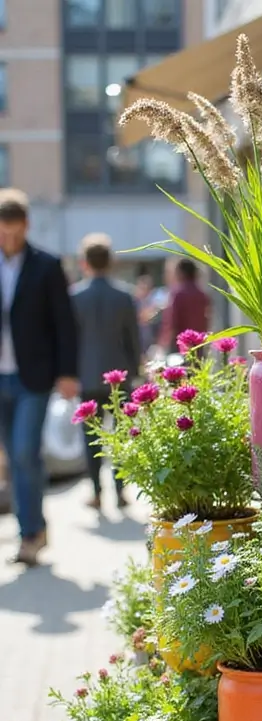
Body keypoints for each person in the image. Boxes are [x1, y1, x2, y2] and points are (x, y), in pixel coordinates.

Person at [0, 188, 78, 566]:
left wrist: (67, 372)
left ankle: (30, 534)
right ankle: (31, 530)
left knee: (25, 452)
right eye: (2, 232)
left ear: (26, 226)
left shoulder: (46, 265)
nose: (8, 239)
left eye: (14, 232)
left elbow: (65, 323)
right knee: (13, 458)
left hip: (33, 376)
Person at [70, 233, 141, 511]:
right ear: (111, 262)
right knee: (121, 436)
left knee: (91, 437)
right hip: (119, 375)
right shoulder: (124, 296)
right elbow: (133, 339)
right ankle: (121, 491)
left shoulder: (75, 296)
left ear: (84, 262)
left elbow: (70, 340)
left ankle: (97, 492)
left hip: (86, 375)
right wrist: (134, 371)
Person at [159, 258, 210, 354]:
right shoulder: (202, 294)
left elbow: (172, 321)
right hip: (199, 342)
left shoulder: (178, 293)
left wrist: (164, 342)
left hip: (180, 344)